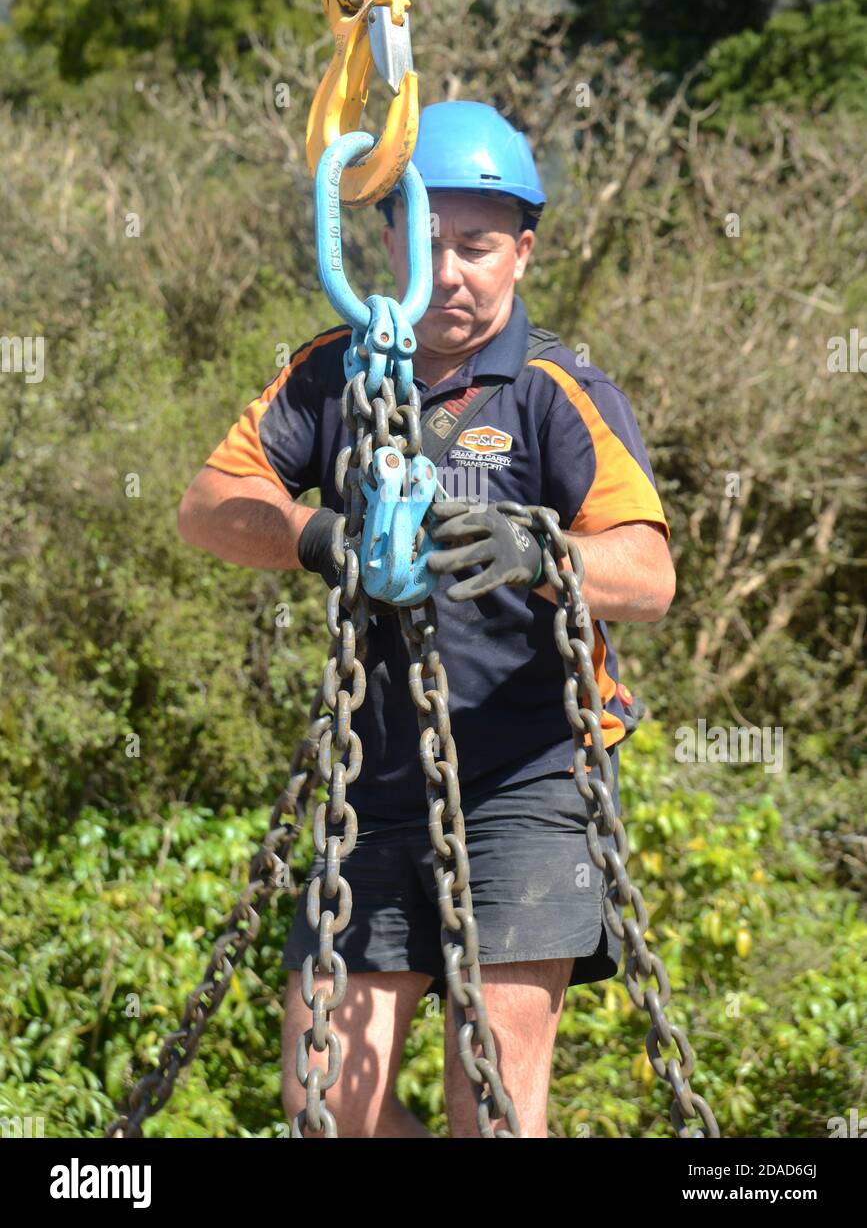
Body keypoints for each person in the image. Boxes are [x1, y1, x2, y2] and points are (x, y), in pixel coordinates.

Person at [178, 100, 675, 1138]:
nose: (450, 272)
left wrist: (542, 553)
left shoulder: (556, 391)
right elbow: (211, 505)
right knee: (327, 1108)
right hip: (373, 784)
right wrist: (320, 538)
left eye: (479, 247)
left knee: (489, 1107)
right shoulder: (335, 371)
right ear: (387, 240)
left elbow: (650, 574)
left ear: (522, 251)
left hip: (530, 784)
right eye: (429, 241)